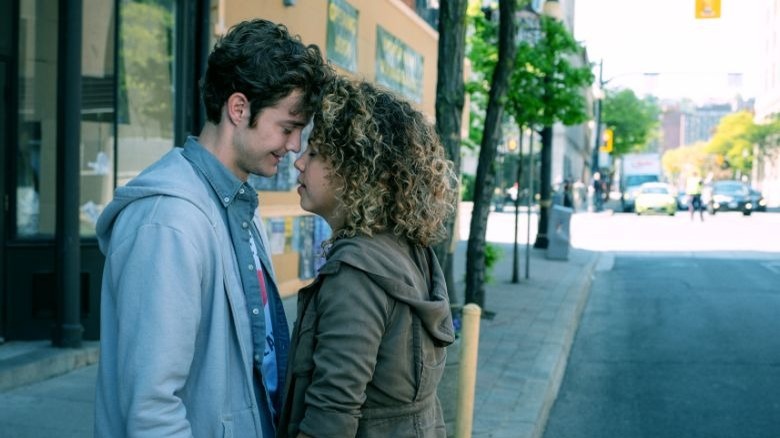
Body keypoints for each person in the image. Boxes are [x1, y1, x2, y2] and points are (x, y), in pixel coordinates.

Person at [94, 19, 331, 437]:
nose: (294, 146)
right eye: (288, 128)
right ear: (238, 109)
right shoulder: (168, 223)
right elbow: (152, 410)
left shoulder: (239, 204)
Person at [278, 77, 457, 437]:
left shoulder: (356, 275)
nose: (299, 162)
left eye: (314, 152)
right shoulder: (410, 250)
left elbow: (331, 417)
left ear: (355, 169)